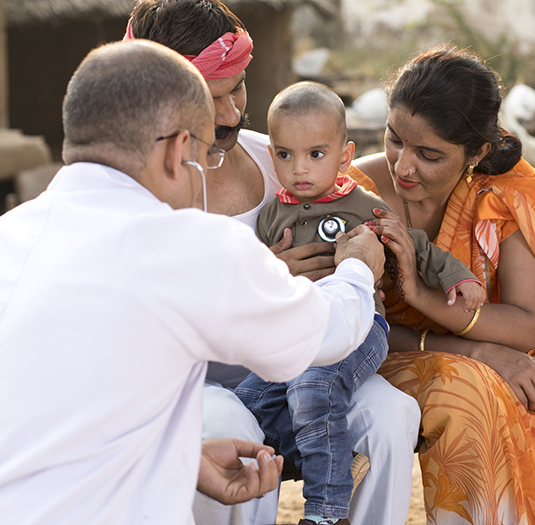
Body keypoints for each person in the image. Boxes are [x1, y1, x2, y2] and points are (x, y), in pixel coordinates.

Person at [0, 39, 387, 524]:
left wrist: (179, 459)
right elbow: (328, 333)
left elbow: (48, 410)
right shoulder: (182, 243)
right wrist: (359, 266)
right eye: (205, 157)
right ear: (179, 152)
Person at [125, 3, 422, 524]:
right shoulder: (139, 191)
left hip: (304, 364)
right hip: (193, 385)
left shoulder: (280, 159)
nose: (229, 112)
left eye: (236, 88)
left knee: (392, 414)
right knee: (231, 425)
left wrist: (363, 269)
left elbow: (357, 211)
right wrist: (262, 284)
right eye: (210, 98)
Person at [352, 45, 535, 524]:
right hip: (379, 354)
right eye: (394, 139)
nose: (403, 166)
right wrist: (475, 352)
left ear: (479, 153)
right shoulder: (353, 195)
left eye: (429, 155)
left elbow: (531, 326)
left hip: (471, 335)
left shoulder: (501, 193)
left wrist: (427, 298)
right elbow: (353, 330)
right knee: (471, 389)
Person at [234, 81, 484, 525]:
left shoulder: (363, 205)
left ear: (344, 156)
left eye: (316, 154)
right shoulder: (273, 213)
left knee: (314, 386)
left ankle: (326, 511)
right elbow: (253, 283)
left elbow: (418, 246)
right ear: (272, 156)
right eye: (285, 156)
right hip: (296, 334)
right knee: (248, 401)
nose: (300, 169)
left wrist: (457, 277)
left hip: (361, 331)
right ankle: (327, 459)